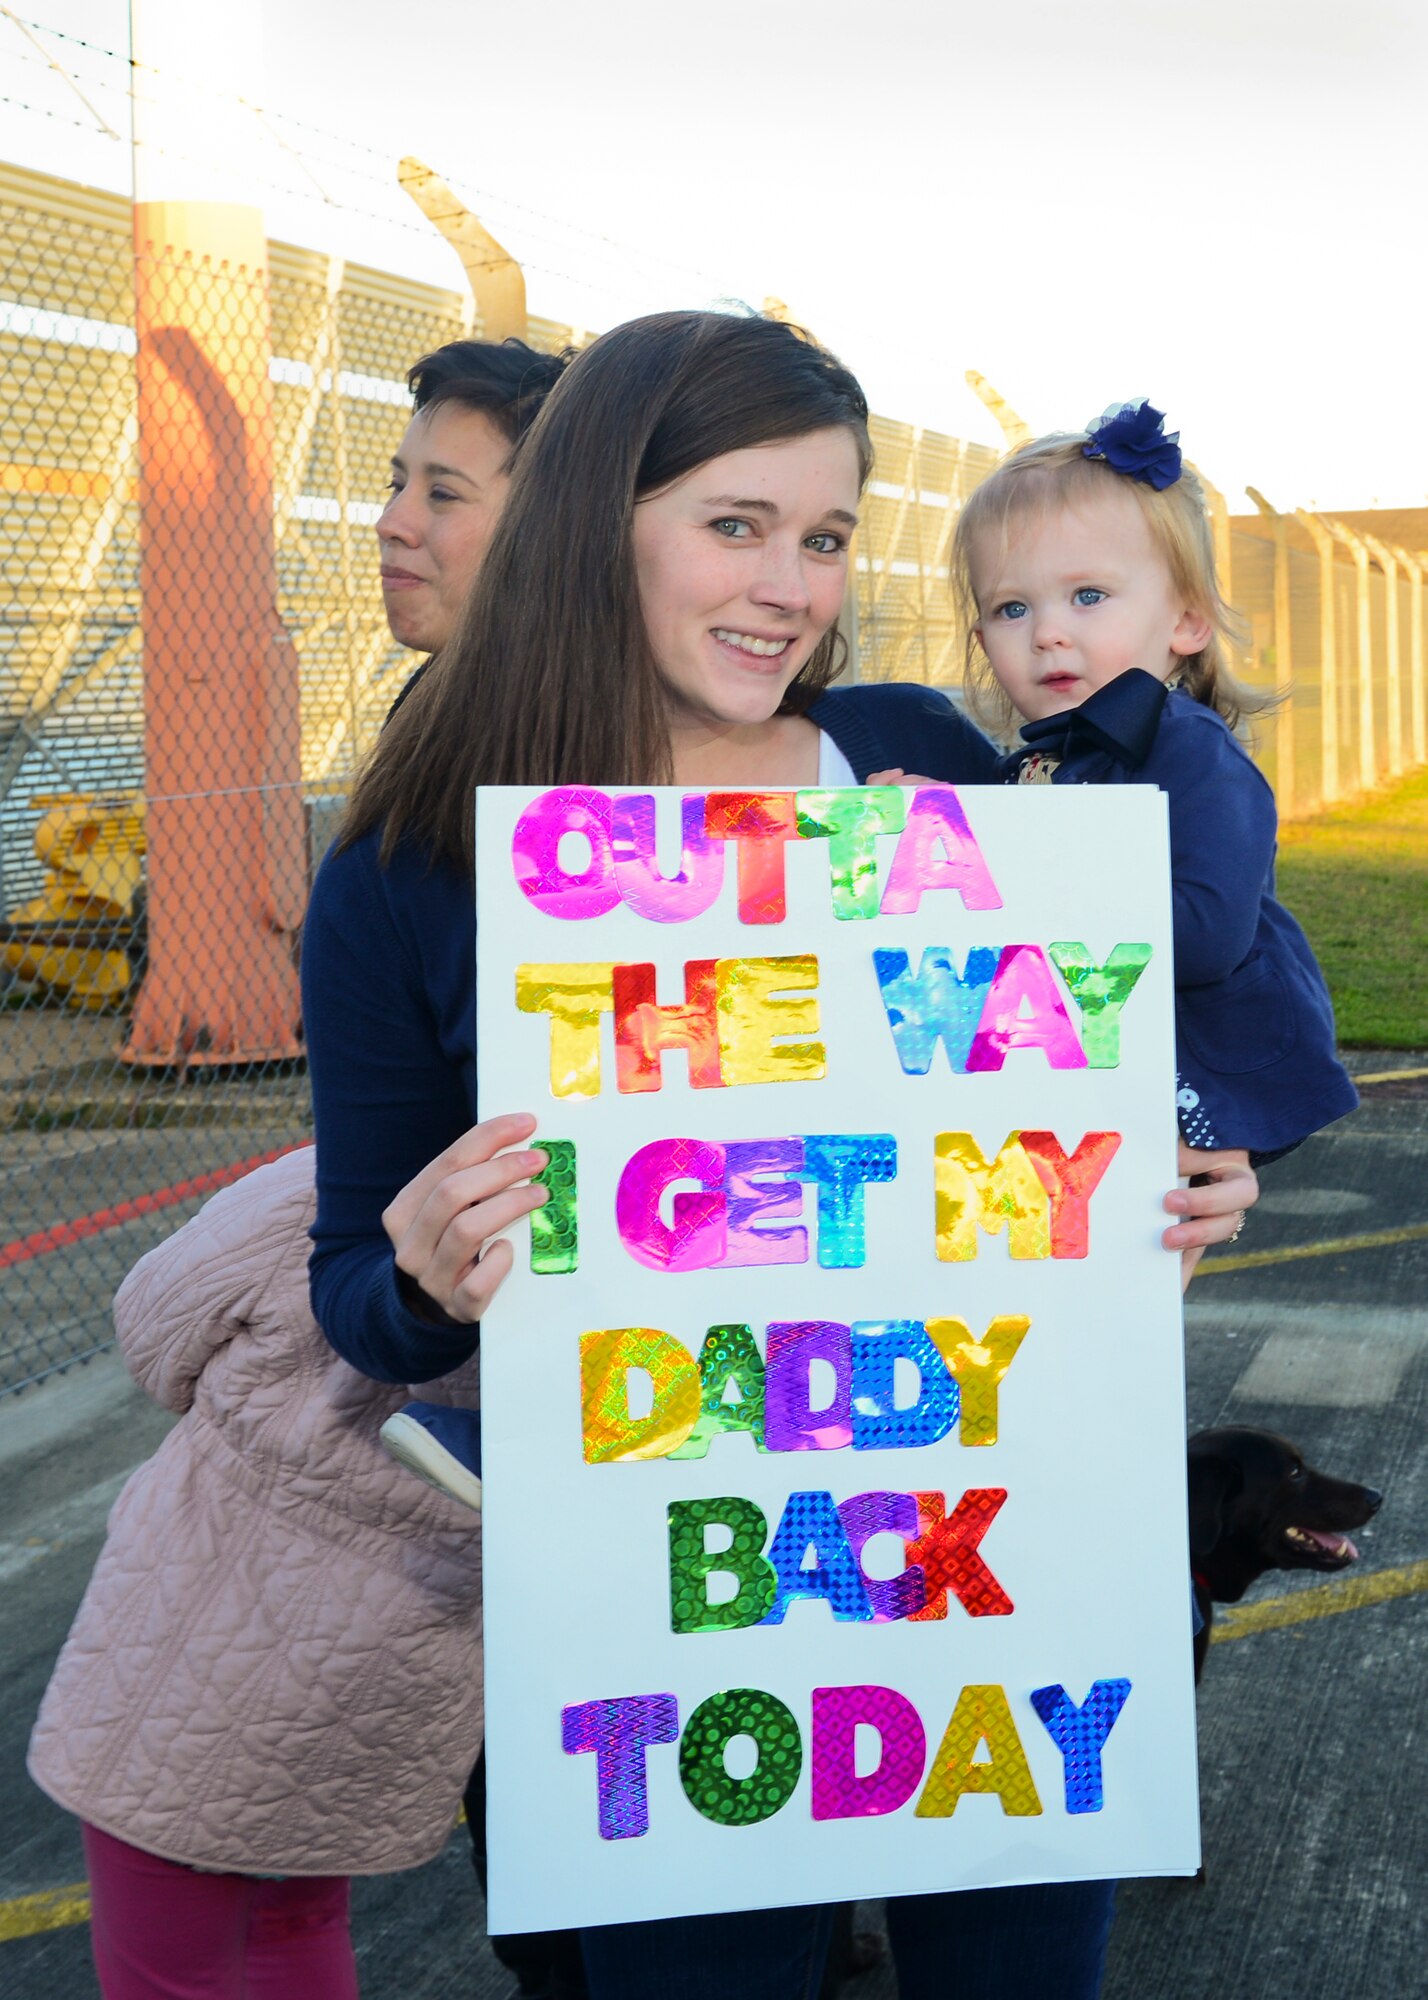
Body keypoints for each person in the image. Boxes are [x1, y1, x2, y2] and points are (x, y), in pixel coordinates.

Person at [301, 310, 1261, 2000]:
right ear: (596, 523)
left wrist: (1181, 1162)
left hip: (996, 1604)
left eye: (824, 537)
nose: (793, 585)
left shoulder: (924, 757)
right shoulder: (407, 875)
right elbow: (354, 1307)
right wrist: (428, 1275)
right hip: (674, 1629)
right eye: (735, 526)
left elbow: (1115, 1023)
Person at [26, 1148, 485, 2000]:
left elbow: (156, 1322)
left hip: (209, 1607)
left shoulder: (337, 1183)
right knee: (295, 1915)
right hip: (415, 1635)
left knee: (164, 1941)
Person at [950, 398, 1357, 1173]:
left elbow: (1206, 936)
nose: (1047, 631)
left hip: (1199, 1080)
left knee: (1146, 1260)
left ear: (1187, 622)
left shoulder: (1190, 753)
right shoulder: (1038, 765)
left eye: (1089, 596)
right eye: (1011, 607)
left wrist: (1033, 885)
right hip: (1100, 1075)